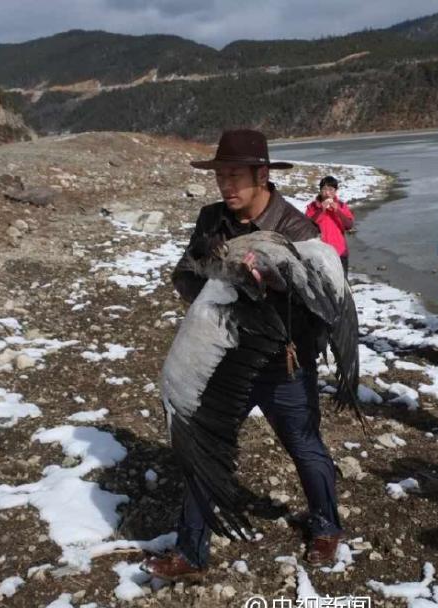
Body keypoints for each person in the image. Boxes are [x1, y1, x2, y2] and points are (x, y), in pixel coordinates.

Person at [144, 129, 344, 581]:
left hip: (282, 363)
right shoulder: (212, 220)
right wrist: (223, 289)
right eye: (221, 177)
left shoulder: (298, 229)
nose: (226, 187)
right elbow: (185, 275)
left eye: (235, 176)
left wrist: (271, 293)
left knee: (304, 445)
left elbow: (322, 303)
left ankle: (327, 526)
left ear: (262, 175)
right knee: (202, 444)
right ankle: (191, 554)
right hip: (225, 360)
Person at [305, 175, 354, 277]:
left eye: (331, 189)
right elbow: (307, 226)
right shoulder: (312, 207)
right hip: (319, 254)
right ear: (320, 191)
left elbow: (349, 225)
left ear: (335, 191)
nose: (327, 193)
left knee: (342, 285)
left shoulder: (341, 205)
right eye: (324, 189)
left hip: (339, 252)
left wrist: (338, 211)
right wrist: (321, 210)